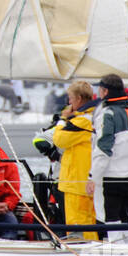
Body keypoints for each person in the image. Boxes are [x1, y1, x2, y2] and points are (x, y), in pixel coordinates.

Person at [87, 74, 128, 243]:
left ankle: (117, 254)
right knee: (124, 217)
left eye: (99, 89)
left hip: (110, 176)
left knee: (111, 218)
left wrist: (93, 177)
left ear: (105, 91)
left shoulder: (107, 114)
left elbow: (103, 149)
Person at [36, 80, 98, 240]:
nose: (69, 102)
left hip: (77, 181)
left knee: (78, 222)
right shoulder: (91, 117)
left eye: (70, 98)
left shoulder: (82, 121)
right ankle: (89, 248)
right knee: (87, 220)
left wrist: (63, 119)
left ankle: (84, 251)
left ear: (78, 99)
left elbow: (59, 139)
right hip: (81, 179)